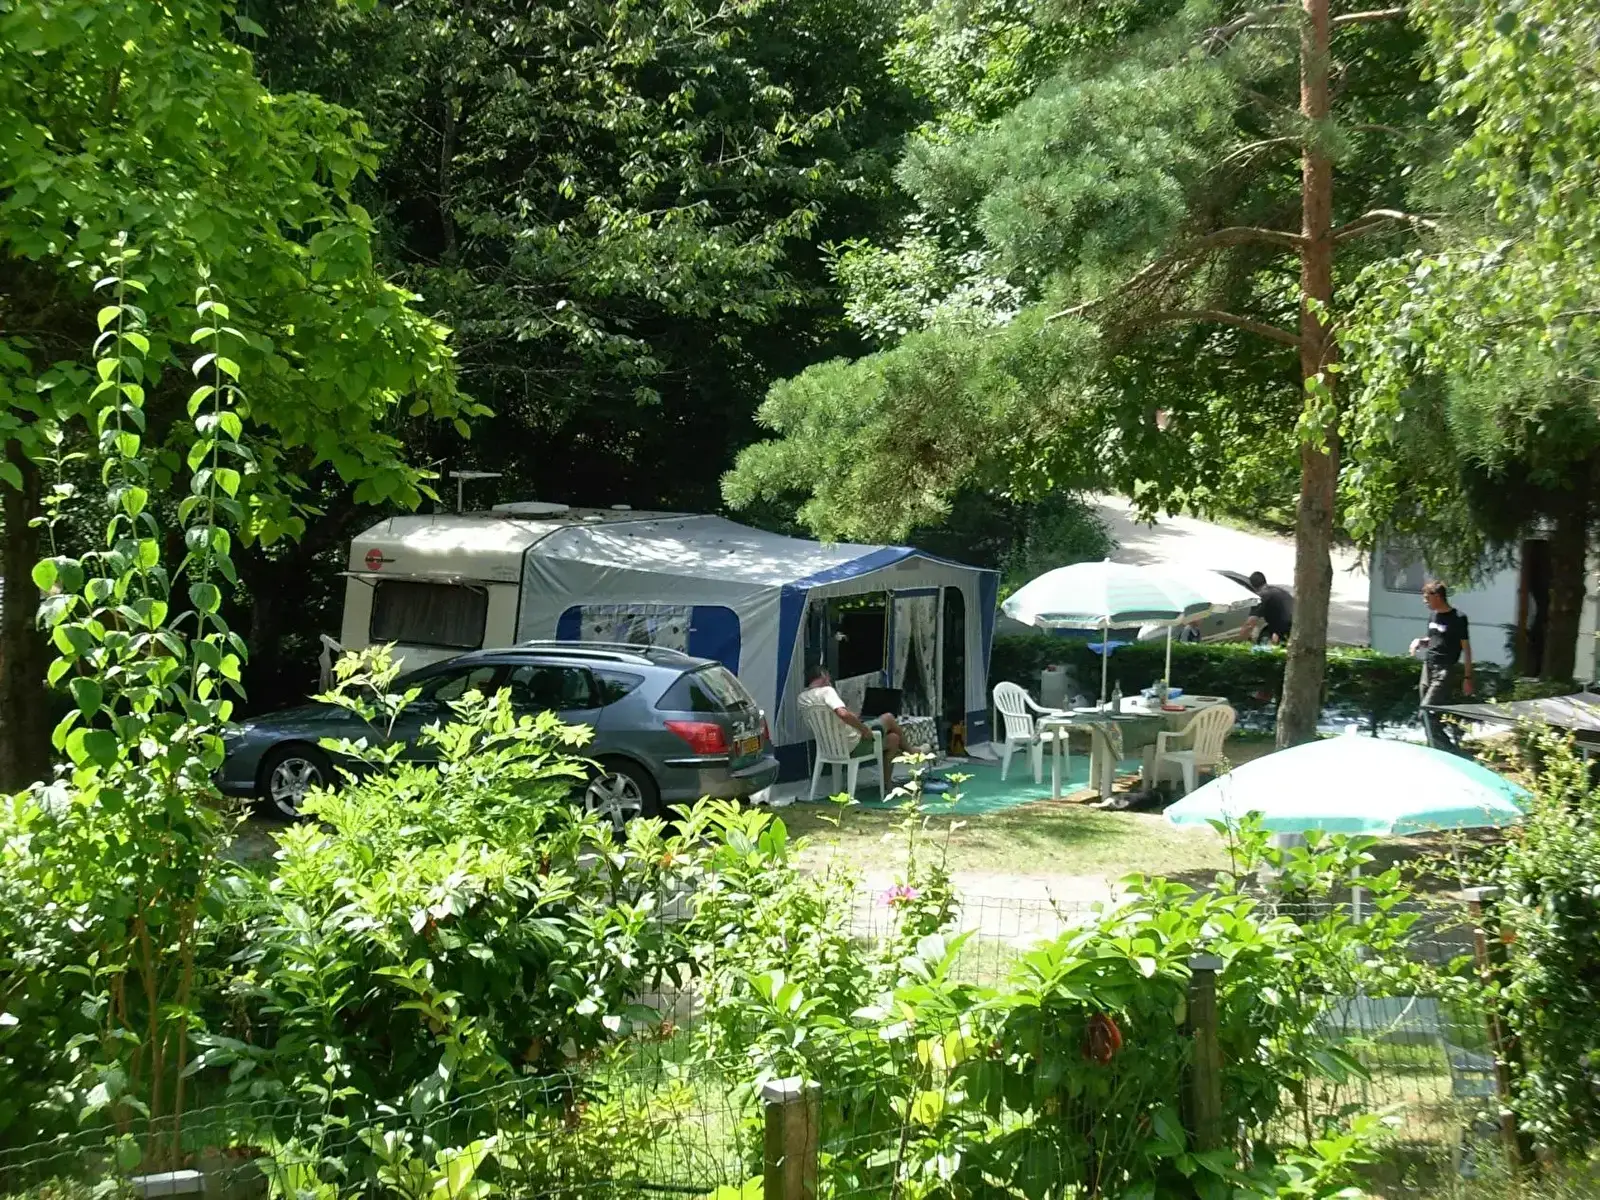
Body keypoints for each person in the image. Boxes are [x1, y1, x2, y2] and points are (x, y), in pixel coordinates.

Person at [798, 662, 910, 791]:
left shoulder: (802, 698)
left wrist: (854, 718)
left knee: (894, 738)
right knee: (889, 718)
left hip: (829, 747)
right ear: (823, 676)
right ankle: (911, 752)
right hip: (852, 745)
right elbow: (843, 714)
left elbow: (834, 716)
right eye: (828, 677)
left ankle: (889, 783)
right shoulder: (827, 691)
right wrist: (863, 729)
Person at [1409, 580, 1474, 752]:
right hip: (1428, 667)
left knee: (1426, 712)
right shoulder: (1433, 616)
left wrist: (1468, 677)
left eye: (1427, 598)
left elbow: (1466, 649)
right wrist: (1419, 642)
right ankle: (1436, 750)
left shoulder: (1458, 618)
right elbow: (1434, 640)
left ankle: (1450, 752)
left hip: (1444, 670)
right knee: (1429, 716)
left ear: (1438, 596)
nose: (1425, 601)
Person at [1246, 571, 1294, 645]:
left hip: (1283, 627)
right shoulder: (1280, 590)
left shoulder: (1261, 596)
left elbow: (1251, 621)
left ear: (1252, 585)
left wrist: (1244, 638)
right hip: (1295, 623)